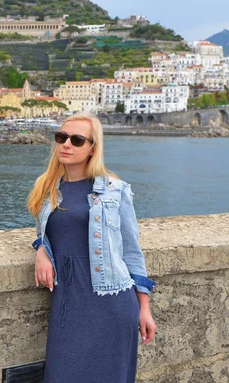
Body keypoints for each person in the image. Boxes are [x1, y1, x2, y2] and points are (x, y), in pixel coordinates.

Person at [27, 114, 157, 383]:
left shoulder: (114, 190)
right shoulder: (46, 187)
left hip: (112, 301)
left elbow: (131, 252)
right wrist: (41, 249)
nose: (66, 145)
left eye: (76, 140)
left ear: (92, 148)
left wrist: (144, 308)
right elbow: (44, 234)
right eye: (61, 137)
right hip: (68, 302)